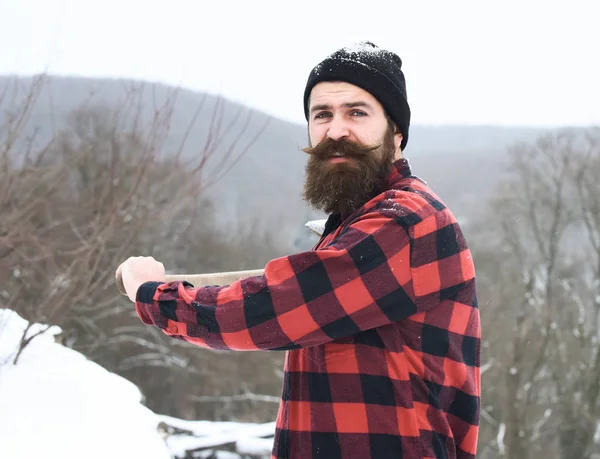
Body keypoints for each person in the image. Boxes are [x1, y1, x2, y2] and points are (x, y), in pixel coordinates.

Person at [116, 41, 481, 459]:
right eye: (322, 115)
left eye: (357, 113)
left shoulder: (405, 221)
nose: (336, 130)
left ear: (396, 132)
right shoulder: (357, 224)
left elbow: (271, 310)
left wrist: (152, 294)